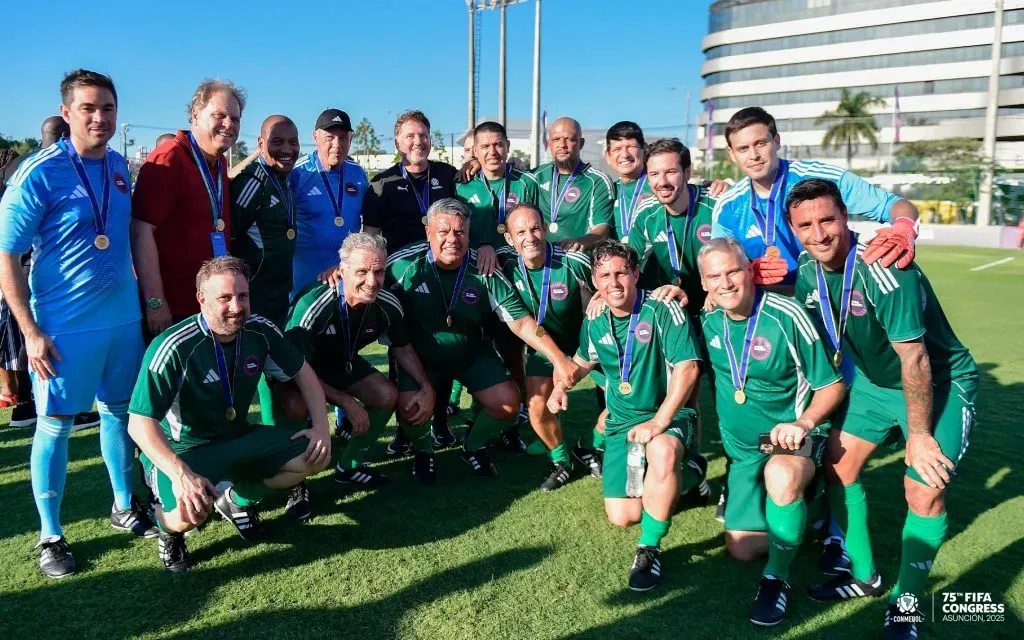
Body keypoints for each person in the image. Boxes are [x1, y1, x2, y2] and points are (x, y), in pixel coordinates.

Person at [789, 179, 978, 640]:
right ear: (793, 229)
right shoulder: (807, 270)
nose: (818, 234)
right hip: (876, 385)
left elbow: (915, 359)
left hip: (940, 382)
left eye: (828, 220)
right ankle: (864, 576)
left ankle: (907, 605)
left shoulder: (886, 267)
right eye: (805, 225)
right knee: (837, 466)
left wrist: (919, 435)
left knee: (923, 489)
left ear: (846, 218)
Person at [0, 70, 156, 579]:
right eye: (88, 108)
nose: (99, 117)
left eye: (107, 108)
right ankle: (50, 534)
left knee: (118, 415)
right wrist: (29, 330)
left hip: (122, 321)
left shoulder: (117, 166)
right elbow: (7, 255)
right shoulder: (39, 171)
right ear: (66, 113)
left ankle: (122, 505)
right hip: (63, 328)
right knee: (56, 426)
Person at [127, 256, 332, 572]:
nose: (236, 307)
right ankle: (167, 530)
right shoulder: (173, 345)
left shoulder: (259, 330)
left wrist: (320, 426)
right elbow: (139, 424)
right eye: (225, 298)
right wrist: (181, 474)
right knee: (190, 514)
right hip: (186, 451)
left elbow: (304, 373)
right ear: (202, 299)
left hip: (239, 437)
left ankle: (236, 499)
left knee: (314, 456)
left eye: (243, 296)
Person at [698, 236, 846, 626]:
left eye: (733, 271)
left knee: (781, 476)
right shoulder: (709, 319)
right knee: (742, 549)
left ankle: (776, 579)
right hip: (745, 453)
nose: (726, 283)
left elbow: (831, 385)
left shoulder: (787, 315)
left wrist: (804, 423)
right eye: (715, 276)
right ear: (704, 285)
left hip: (791, 442)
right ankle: (807, 507)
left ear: (750, 271)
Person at [386, 198, 577, 483]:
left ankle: (473, 446)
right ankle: (423, 452)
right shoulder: (401, 265)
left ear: (469, 233)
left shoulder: (484, 268)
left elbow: (522, 322)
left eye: (460, 232)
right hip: (422, 359)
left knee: (509, 403)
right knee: (409, 407)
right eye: (444, 231)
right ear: (428, 233)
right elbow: (366, 282)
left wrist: (559, 359)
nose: (453, 239)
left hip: (471, 354)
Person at [548, 241, 701, 592]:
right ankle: (691, 476)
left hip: (667, 418)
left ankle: (649, 548)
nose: (614, 282)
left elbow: (689, 369)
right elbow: (582, 363)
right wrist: (561, 387)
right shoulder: (596, 317)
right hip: (622, 426)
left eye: (621, 273)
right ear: (594, 281)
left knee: (661, 452)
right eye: (604, 275)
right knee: (623, 516)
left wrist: (660, 421)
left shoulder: (662, 308)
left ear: (635, 274)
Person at [268, 233, 434, 510]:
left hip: (339, 363)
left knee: (385, 394)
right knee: (295, 406)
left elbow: (402, 348)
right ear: (342, 271)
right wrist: (345, 402)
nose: (372, 281)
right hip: (294, 372)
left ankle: (351, 465)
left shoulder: (387, 302)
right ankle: (296, 486)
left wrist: (426, 387)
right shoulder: (313, 306)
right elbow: (296, 369)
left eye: (378, 271)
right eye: (362, 272)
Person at [712, 107, 919, 287]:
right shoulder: (728, 206)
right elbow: (719, 263)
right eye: (743, 148)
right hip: (776, 312)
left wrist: (904, 227)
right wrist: (746, 271)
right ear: (732, 154)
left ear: (776, 141)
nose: (753, 155)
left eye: (760, 143)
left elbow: (897, 205)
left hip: (836, 298)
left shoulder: (821, 178)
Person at [362, 111, 461, 451]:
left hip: (442, 281)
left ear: (431, 139)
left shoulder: (449, 175)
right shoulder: (380, 184)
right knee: (401, 351)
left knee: (442, 348)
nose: (417, 142)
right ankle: (406, 428)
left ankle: (442, 421)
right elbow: (371, 236)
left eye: (423, 135)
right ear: (398, 142)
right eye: (410, 136)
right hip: (400, 284)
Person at [0, 117, 100, 431]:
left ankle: (27, 407)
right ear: (64, 133)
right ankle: (61, 410)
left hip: (26, 272)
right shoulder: (42, 170)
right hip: (42, 274)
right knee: (54, 345)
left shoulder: (29, 166)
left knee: (24, 342)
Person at [132, 79, 246, 336]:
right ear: (195, 115)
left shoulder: (218, 163)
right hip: (172, 308)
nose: (228, 124)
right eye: (219, 115)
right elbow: (140, 231)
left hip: (207, 304)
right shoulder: (169, 159)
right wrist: (155, 302)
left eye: (235, 118)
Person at [500, 203, 597, 490]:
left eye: (534, 228)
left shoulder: (574, 261)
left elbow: (611, 280)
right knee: (537, 408)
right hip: (544, 346)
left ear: (545, 229)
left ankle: (590, 445)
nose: (529, 237)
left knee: (619, 403)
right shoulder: (503, 265)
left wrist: (603, 297)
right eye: (520, 232)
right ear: (509, 239)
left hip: (589, 344)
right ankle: (561, 460)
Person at [627, 138, 716, 318]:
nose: (662, 182)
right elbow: (629, 264)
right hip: (671, 301)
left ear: (687, 172)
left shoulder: (716, 204)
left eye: (671, 172)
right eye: (654, 174)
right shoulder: (645, 212)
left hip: (715, 299)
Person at [229, 115, 300, 327]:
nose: (287, 149)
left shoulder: (284, 178)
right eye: (277, 141)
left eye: (293, 142)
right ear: (261, 144)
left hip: (279, 294)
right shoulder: (252, 182)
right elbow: (228, 239)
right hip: (253, 299)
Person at [288, 109, 368, 298]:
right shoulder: (299, 173)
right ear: (315, 137)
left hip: (345, 277)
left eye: (343, 138)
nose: (337, 144)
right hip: (305, 280)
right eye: (330, 137)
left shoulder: (358, 174)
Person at [455, 120, 539, 275]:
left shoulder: (527, 182)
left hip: (519, 269)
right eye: (485, 146)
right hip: (475, 269)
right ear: (475, 150)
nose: (492, 152)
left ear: (507, 145)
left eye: (498, 144)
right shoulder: (461, 185)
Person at [533, 117, 614, 251]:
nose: (562, 145)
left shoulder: (597, 180)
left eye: (569, 139)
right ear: (549, 144)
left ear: (581, 143)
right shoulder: (535, 176)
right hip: (541, 260)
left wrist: (580, 242)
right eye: (556, 139)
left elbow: (602, 229)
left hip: (576, 260)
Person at [604, 121, 655, 240]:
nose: (624, 154)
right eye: (617, 149)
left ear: (645, 149)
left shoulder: (658, 185)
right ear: (608, 156)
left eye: (631, 147)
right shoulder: (608, 190)